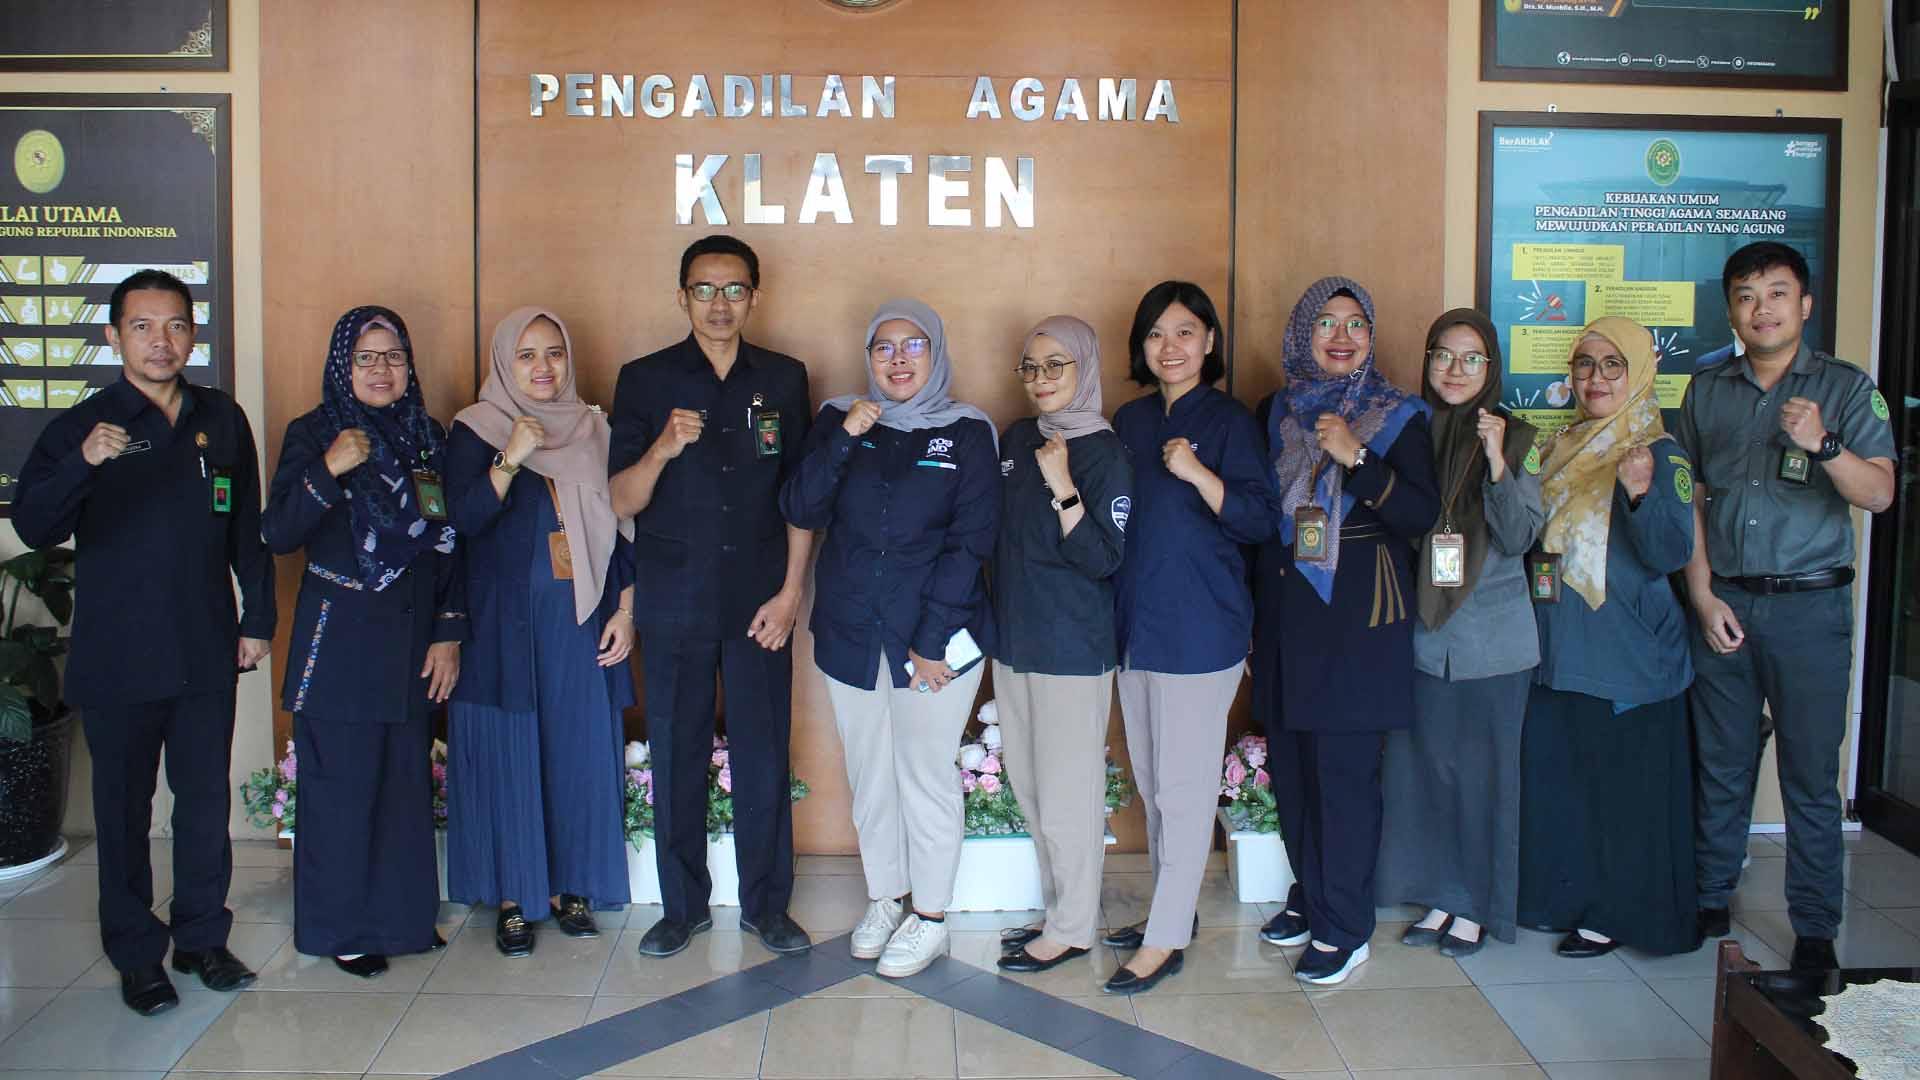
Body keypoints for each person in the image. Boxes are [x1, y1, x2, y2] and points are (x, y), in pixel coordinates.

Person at [12, 269, 275, 1014]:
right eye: (142, 327)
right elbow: (34, 526)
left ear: (193, 334)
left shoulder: (220, 418)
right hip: (119, 657)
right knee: (125, 814)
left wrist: (257, 619)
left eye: (175, 326)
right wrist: (85, 462)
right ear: (113, 336)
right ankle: (137, 956)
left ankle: (201, 938)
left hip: (204, 648)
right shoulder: (85, 426)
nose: (161, 341)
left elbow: (245, 528)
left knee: (202, 804)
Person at [1676, 242, 1896, 971]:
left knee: (1808, 773)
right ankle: (1711, 895)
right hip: (1728, 603)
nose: (1761, 308)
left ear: (1804, 304)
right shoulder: (1707, 390)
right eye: (1746, 295)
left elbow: (1879, 493)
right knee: (1722, 761)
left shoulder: (1845, 387)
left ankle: (1815, 923)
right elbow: (1691, 500)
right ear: (1730, 311)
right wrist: (1701, 593)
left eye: (1776, 293)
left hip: (1809, 611)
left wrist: (1823, 444)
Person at [780, 298, 999, 979]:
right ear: (869, 357)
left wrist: (931, 641)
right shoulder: (839, 418)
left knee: (924, 775)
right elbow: (801, 506)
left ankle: (929, 916)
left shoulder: (967, 431)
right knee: (870, 774)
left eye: (913, 346)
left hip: (934, 639)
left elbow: (971, 542)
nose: (898, 360)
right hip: (850, 631)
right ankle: (886, 898)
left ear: (936, 353)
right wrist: (848, 433)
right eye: (884, 347)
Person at [609, 236, 814, 958]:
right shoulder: (644, 380)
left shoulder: (784, 378)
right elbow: (620, 499)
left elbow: (800, 499)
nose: (718, 304)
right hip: (675, 600)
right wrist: (662, 448)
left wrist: (791, 593)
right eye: (704, 289)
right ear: (682, 296)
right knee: (677, 753)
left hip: (761, 604)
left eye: (733, 289)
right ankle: (682, 908)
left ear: (755, 295)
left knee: (763, 754)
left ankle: (768, 906)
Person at [263, 305, 464, 977]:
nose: (382, 370)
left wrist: (447, 633)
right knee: (341, 791)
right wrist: (328, 468)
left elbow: (448, 541)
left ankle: (403, 922)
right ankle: (341, 928)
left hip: (411, 639)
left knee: (403, 787)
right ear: (342, 366)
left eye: (394, 357)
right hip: (340, 641)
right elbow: (278, 532)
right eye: (366, 358)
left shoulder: (427, 436)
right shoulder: (314, 432)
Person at [1255, 277, 1438, 986]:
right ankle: (1313, 895)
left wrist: (1356, 457)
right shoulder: (1278, 409)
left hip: (1359, 618)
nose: (1341, 336)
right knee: (1295, 772)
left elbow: (1420, 516)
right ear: (1303, 334)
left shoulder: (1399, 416)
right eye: (1326, 323)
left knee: (1344, 779)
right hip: (1288, 611)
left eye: (1355, 323)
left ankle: (1346, 926)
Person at [445, 307, 636, 956]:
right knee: (511, 753)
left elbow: (623, 529)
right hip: (501, 628)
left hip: (580, 623)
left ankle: (572, 887)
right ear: (504, 362)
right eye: (526, 355)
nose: (543, 367)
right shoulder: (476, 428)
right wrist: (510, 459)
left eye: (554, 352)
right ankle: (514, 896)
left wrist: (626, 611)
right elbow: (461, 520)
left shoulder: (594, 428)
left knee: (576, 750)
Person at [1105, 281, 1276, 995]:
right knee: (1152, 784)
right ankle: (1170, 911)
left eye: (1183, 332)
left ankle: (1166, 937)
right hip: (1135, 628)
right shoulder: (1130, 419)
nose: (1169, 347)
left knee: (1182, 788)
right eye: (1155, 334)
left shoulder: (1231, 421)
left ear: (1209, 340)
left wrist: (1200, 474)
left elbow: (1261, 522)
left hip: (1201, 629)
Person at [1519, 316, 1698, 958]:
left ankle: (1618, 912)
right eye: (1585, 364)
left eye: (1613, 365)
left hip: (1628, 652)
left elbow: (1671, 551)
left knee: (1624, 791)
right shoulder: (1558, 446)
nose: (1596, 378)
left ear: (1640, 372)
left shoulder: (1659, 451)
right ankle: (1566, 900)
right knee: (1568, 783)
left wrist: (1640, 493)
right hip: (1559, 644)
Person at [1374, 308, 1542, 959]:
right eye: (1443, 355)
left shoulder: (1518, 437)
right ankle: (1442, 895)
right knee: (1430, 776)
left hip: (1493, 645)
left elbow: (1521, 536)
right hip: (1424, 639)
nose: (1455, 369)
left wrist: (1497, 462)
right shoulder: (1410, 431)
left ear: (1491, 367)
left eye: (1472, 359)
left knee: (1485, 781)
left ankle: (1476, 907)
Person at [989, 316, 1132, 975]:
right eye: (1031, 366)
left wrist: (1064, 486)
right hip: (1015, 641)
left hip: (1072, 649)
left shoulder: (1104, 452)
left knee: (1067, 797)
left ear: (1084, 368)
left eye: (1056, 365)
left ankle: (1073, 928)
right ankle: (1058, 912)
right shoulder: (1017, 437)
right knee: (1031, 790)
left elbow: (1104, 559)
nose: (1041, 379)